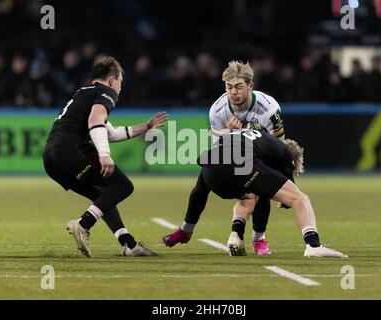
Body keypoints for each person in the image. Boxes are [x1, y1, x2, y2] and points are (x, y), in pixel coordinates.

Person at [43, 56, 167, 257]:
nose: (120, 88)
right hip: (71, 149)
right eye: (120, 83)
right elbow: (95, 121)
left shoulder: (84, 93)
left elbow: (111, 132)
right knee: (123, 186)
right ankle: (83, 225)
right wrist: (104, 154)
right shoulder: (107, 92)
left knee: (103, 197)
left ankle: (130, 245)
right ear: (112, 80)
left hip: (51, 158)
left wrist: (146, 127)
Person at [162, 61, 285, 255]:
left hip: (261, 153)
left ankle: (259, 239)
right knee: (203, 181)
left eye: (238, 87)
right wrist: (229, 133)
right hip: (231, 152)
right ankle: (186, 230)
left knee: (262, 189)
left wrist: (282, 180)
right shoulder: (218, 110)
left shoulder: (269, 109)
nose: (233, 92)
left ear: (250, 86)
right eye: (229, 87)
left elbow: (278, 147)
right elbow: (218, 149)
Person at [173, 128, 347, 258]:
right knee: (300, 198)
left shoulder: (253, 139)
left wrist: (186, 230)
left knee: (249, 195)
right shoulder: (284, 152)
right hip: (242, 163)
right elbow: (288, 197)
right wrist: (283, 200)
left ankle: (236, 237)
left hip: (211, 169)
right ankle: (313, 245)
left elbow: (199, 191)